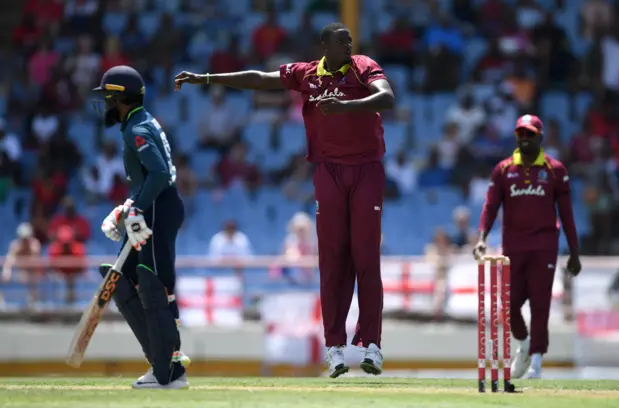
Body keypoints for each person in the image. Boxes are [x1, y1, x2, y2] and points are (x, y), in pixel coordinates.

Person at [175, 22, 395, 378]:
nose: (350, 44)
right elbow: (260, 79)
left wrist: (347, 106)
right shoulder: (306, 74)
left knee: (366, 256)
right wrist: (208, 78)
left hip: (367, 170)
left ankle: (372, 345)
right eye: (342, 41)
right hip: (328, 172)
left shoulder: (363, 66)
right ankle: (334, 348)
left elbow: (387, 96)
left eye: (351, 40)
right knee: (332, 260)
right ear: (324, 45)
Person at [93, 65, 190, 389]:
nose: (105, 103)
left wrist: (135, 207)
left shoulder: (138, 127)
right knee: (122, 281)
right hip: (150, 209)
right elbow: (148, 178)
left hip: (157, 212)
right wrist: (125, 208)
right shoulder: (137, 122)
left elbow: (160, 175)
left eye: (107, 96)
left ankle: (170, 371)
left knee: (154, 287)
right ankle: (161, 363)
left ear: (120, 97)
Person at [473, 114, 582, 379]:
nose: (524, 138)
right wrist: (481, 238)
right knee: (507, 305)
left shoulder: (555, 170)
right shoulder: (503, 169)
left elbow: (567, 214)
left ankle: (536, 361)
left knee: (540, 303)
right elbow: (490, 206)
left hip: (544, 245)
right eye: (520, 133)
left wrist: (575, 253)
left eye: (530, 134)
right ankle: (523, 343)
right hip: (513, 246)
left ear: (540, 137)